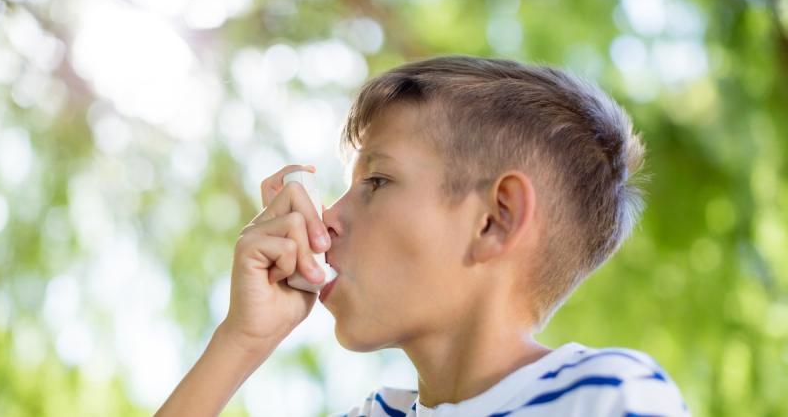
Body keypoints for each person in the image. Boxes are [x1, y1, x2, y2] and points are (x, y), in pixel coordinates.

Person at [155, 55, 689, 416]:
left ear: (494, 219)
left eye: (377, 181)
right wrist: (242, 341)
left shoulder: (604, 397)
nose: (328, 220)